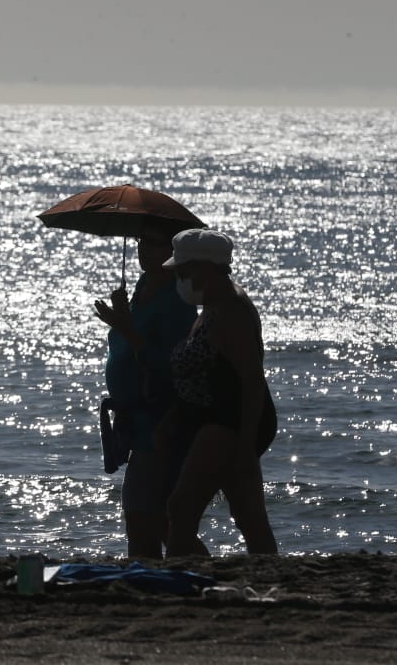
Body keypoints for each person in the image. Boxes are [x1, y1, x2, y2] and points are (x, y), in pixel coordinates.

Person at [158, 228, 277, 557]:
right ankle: (269, 574)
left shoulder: (229, 313)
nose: (178, 279)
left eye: (182, 272)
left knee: (181, 509)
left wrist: (244, 446)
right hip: (218, 419)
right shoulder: (214, 305)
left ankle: (181, 583)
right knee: (248, 515)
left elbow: (252, 381)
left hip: (230, 421)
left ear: (206, 269)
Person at [92, 228, 198, 559]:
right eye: (140, 242)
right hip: (137, 419)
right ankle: (152, 573)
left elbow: (170, 364)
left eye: (153, 242)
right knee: (147, 515)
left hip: (161, 416)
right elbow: (131, 341)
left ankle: (180, 572)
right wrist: (121, 319)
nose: (143, 250)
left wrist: (126, 327)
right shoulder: (141, 288)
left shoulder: (176, 300)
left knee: (151, 516)